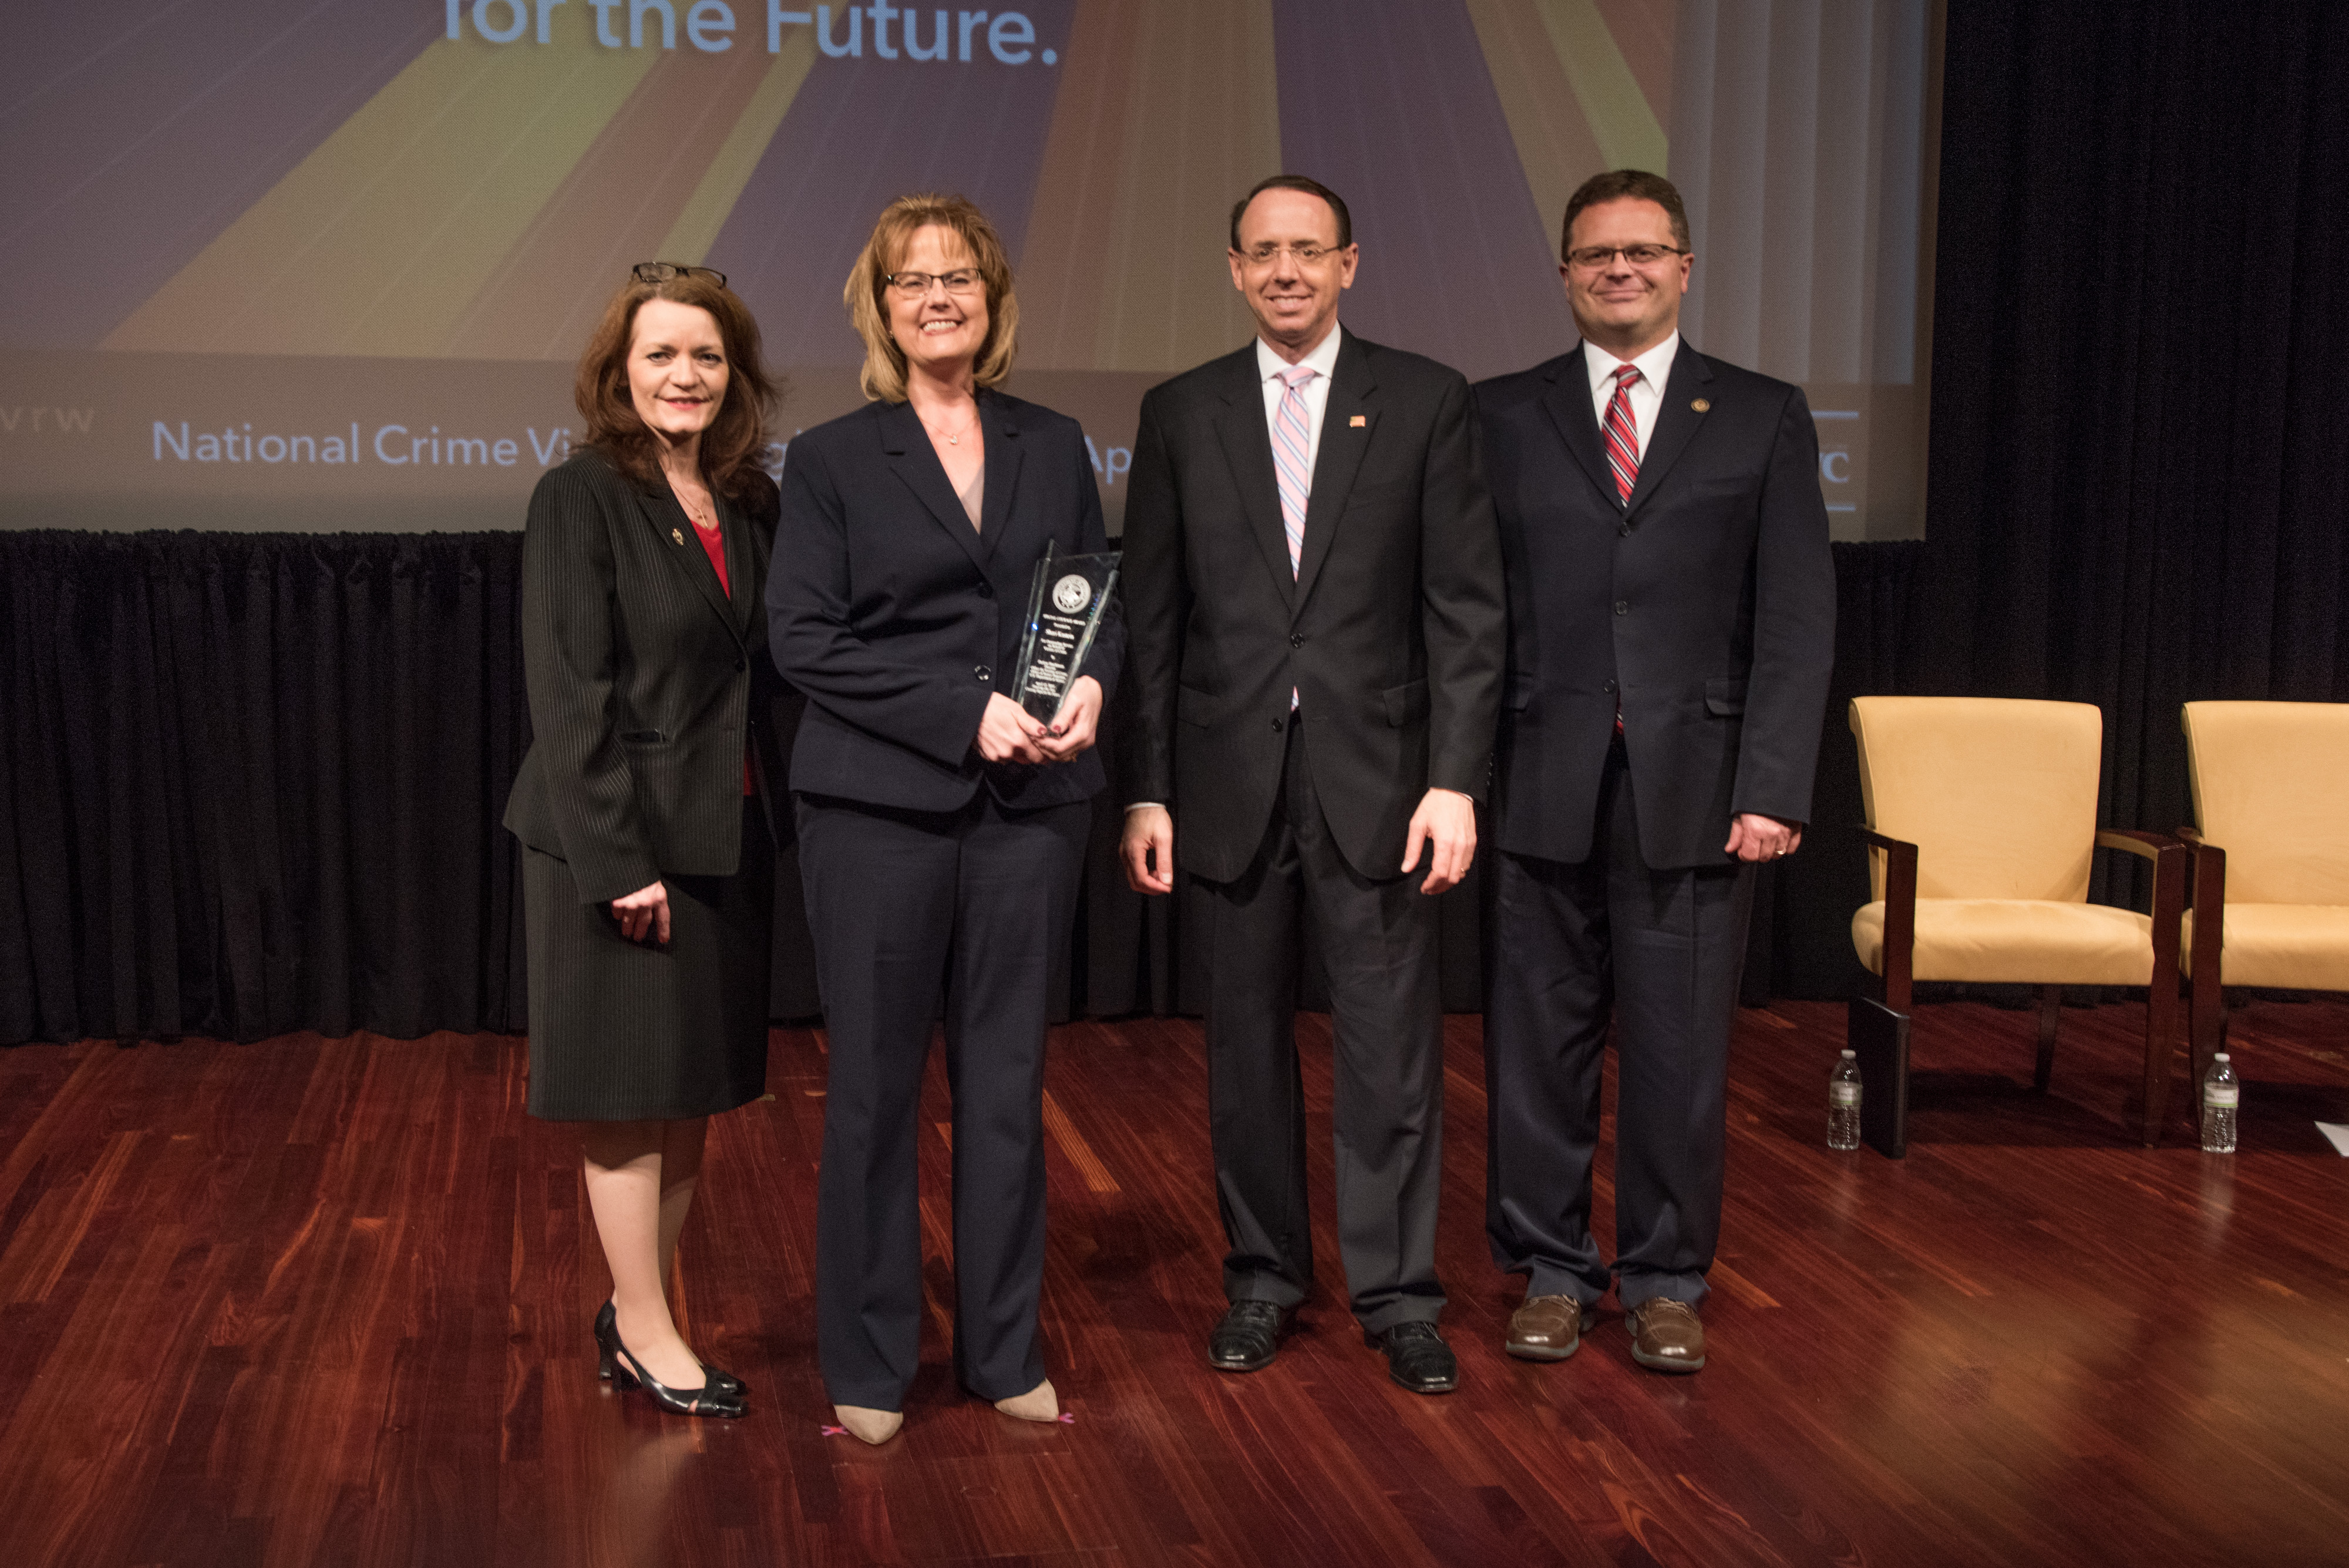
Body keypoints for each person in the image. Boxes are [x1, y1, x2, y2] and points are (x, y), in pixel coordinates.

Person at [1118, 175, 1505, 1396]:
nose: (1286, 271)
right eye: (1263, 252)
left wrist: (1454, 780)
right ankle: (1262, 1279)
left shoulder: (1426, 399)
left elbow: (1465, 611)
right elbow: (1151, 621)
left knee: (1390, 1054)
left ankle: (1399, 1296)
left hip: (1383, 784)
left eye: (1308, 250)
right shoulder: (1180, 411)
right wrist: (1147, 790)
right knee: (1242, 1051)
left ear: (1350, 263)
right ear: (1234, 270)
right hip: (1226, 781)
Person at [768, 194, 1122, 1446]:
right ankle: (870, 1365)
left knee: (1008, 1088)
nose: (937, 297)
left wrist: (1091, 683)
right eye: (912, 280)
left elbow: (1091, 597)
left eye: (958, 277)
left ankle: (1003, 1349)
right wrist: (960, 712)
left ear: (991, 297)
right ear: (881, 306)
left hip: (1030, 811)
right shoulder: (829, 459)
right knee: (872, 1090)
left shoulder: (1054, 440)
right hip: (878, 808)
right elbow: (804, 638)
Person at [1474, 169, 1836, 1374]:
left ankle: (1666, 1277)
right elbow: (1467, 609)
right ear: (1565, 274)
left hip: (1699, 785)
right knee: (1538, 1045)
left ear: (1684, 267)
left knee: (1679, 1053)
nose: (1618, 270)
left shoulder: (1761, 414)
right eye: (1596, 254)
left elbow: (1795, 616)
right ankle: (1550, 1268)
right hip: (1537, 773)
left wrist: (1773, 783)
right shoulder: (1499, 413)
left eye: (1641, 251)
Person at [505, 262, 786, 1419]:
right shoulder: (580, 496)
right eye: (661, 354)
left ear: (735, 375)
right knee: (627, 1096)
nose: (686, 374)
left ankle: (637, 1312)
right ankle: (645, 1326)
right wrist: (620, 864)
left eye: (707, 355)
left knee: (686, 1093)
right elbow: (570, 694)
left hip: (723, 833)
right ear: (620, 373)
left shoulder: (748, 501)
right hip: (616, 847)